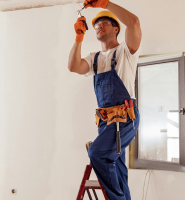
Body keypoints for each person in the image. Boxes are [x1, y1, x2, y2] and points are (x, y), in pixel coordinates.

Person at [68, 0, 141, 199]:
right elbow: (73, 66)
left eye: (105, 22)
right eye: (96, 25)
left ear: (116, 28)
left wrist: (104, 4)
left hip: (125, 118)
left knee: (97, 153)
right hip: (105, 122)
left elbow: (133, 22)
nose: (99, 25)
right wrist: (78, 38)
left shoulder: (127, 52)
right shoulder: (95, 58)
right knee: (117, 168)